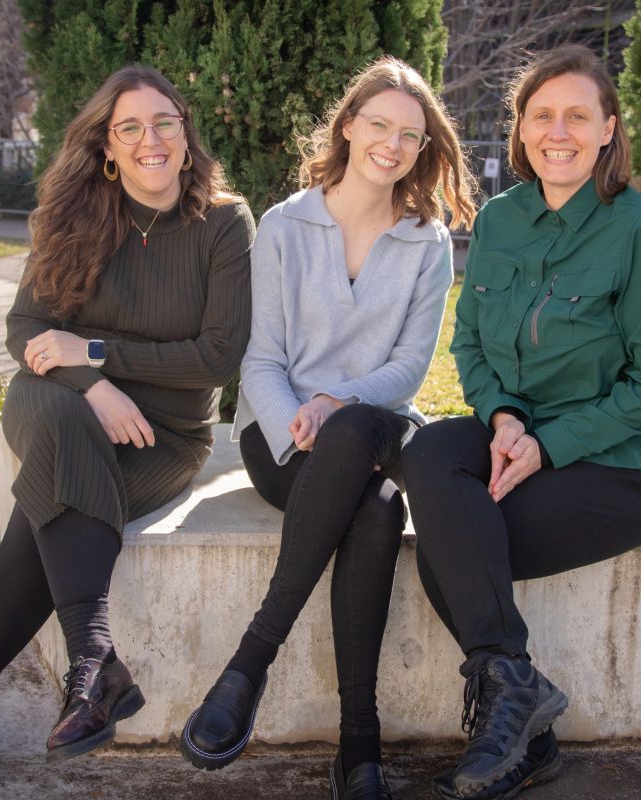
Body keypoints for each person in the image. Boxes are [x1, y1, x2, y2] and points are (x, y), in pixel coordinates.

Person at [0, 65, 254, 799]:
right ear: (108, 147)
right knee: (49, 411)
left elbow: (219, 357)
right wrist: (92, 385)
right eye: (131, 127)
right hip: (60, 407)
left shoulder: (225, 224)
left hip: (161, 437)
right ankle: (93, 664)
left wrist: (96, 352)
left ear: (185, 131)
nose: (152, 140)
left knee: (47, 504)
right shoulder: (74, 216)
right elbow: (26, 329)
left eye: (165, 122)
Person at [400, 44, 641, 800]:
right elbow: (468, 339)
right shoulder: (500, 219)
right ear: (521, 130)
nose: (557, 131)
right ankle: (520, 700)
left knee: (448, 557)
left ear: (607, 129)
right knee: (431, 451)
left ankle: (519, 726)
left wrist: (549, 443)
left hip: (622, 465)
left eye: (577, 115)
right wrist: (502, 419)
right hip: (519, 434)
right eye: (541, 115)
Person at [178, 56, 476, 800]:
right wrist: (301, 421)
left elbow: (408, 371)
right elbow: (263, 360)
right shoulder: (285, 226)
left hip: (372, 431)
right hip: (280, 436)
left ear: (422, 147)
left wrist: (334, 404)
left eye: (410, 134)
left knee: (360, 440)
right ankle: (360, 747)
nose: (393, 143)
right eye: (379, 124)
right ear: (348, 127)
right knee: (374, 510)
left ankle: (248, 667)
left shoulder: (428, 242)